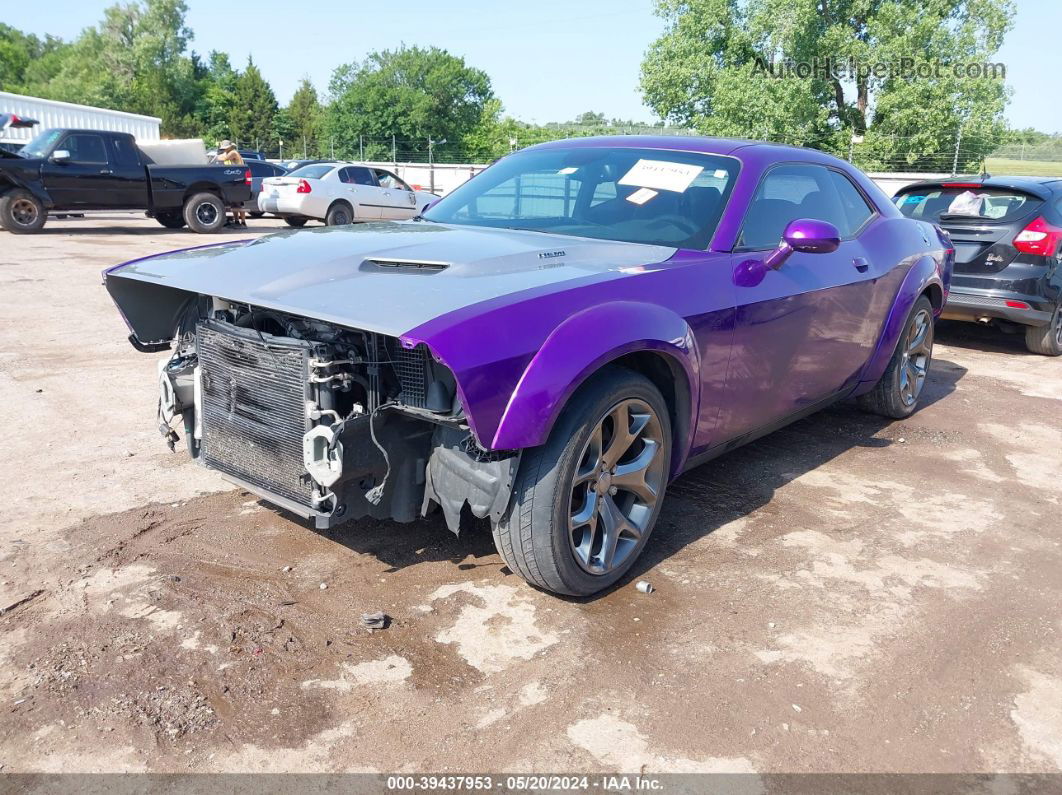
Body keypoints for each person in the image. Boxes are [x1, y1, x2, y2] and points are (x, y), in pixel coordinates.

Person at [215, 140, 247, 227]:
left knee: (239, 203)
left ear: (230, 147)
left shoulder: (233, 152)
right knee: (234, 203)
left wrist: (214, 156)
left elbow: (223, 158)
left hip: (239, 179)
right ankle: (237, 221)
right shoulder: (230, 152)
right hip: (235, 179)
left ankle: (243, 222)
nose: (224, 150)